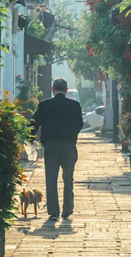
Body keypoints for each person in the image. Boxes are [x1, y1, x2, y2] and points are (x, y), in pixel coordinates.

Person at [30, 78, 83, 220]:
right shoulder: (75, 105)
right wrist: (71, 137)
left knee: (51, 178)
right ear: (66, 90)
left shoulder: (45, 105)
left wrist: (30, 139)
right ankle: (68, 209)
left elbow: (34, 124)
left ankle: (53, 212)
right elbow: (79, 124)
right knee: (68, 178)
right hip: (68, 145)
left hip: (51, 145)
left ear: (52, 89)